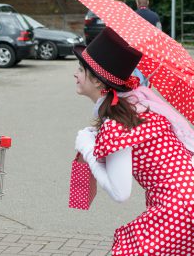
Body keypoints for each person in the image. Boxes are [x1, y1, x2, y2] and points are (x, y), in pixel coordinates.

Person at [73, 27, 194, 255]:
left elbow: (121, 193)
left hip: (179, 211)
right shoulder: (140, 107)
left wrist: (88, 149)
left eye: (81, 69)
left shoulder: (118, 124)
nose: (75, 74)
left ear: (99, 82)